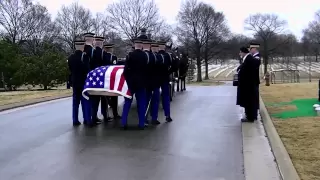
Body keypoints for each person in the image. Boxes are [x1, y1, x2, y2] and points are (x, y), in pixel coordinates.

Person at [122, 38, 148, 129]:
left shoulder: (129, 55)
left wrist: (128, 81)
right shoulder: (145, 56)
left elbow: (125, 71)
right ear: (141, 46)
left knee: (127, 103)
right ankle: (141, 124)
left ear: (134, 45)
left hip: (131, 83)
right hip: (141, 83)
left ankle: (123, 123)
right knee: (141, 103)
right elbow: (147, 70)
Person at [67, 38, 91, 126]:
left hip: (74, 81)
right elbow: (87, 69)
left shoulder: (70, 57)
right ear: (83, 46)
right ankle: (87, 119)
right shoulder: (85, 57)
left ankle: (75, 120)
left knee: (75, 102)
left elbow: (70, 69)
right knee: (85, 100)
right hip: (83, 81)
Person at [237, 47, 259, 123]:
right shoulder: (248, 59)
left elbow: (249, 72)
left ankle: (250, 117)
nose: (239, 54)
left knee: (249, 101)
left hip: (248, 85)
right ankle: (249, 116)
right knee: (248, 101)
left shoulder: (249, 59)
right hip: (248, 84)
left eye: (240, 52)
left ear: (243, 52)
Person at [103, 43, 121, 120]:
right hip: (112, 79)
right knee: (114, 97)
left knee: (105, 97)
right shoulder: (113, 57)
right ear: (110, 49)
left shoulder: (102, 56)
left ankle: (105, 114)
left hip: (104, 79)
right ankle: (115, 113)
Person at [158, 41, 174, 122]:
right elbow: (173, 66)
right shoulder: (168, 55)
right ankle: (167, 115)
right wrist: (168, 72)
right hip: (165, 78)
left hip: (156, 79)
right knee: (166, 97)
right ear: (164, 47)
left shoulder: (155, 55)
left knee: (156, 98)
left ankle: (154, 117)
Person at [249, 42, 261, 120]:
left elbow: (254, 65)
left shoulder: (257, 57)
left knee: (255, 96)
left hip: (254, 80)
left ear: (254, 48)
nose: (250, 50)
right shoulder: (253, 56)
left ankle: (255, 112)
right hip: (253, 80)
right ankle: (254, 111)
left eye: (251, 49)